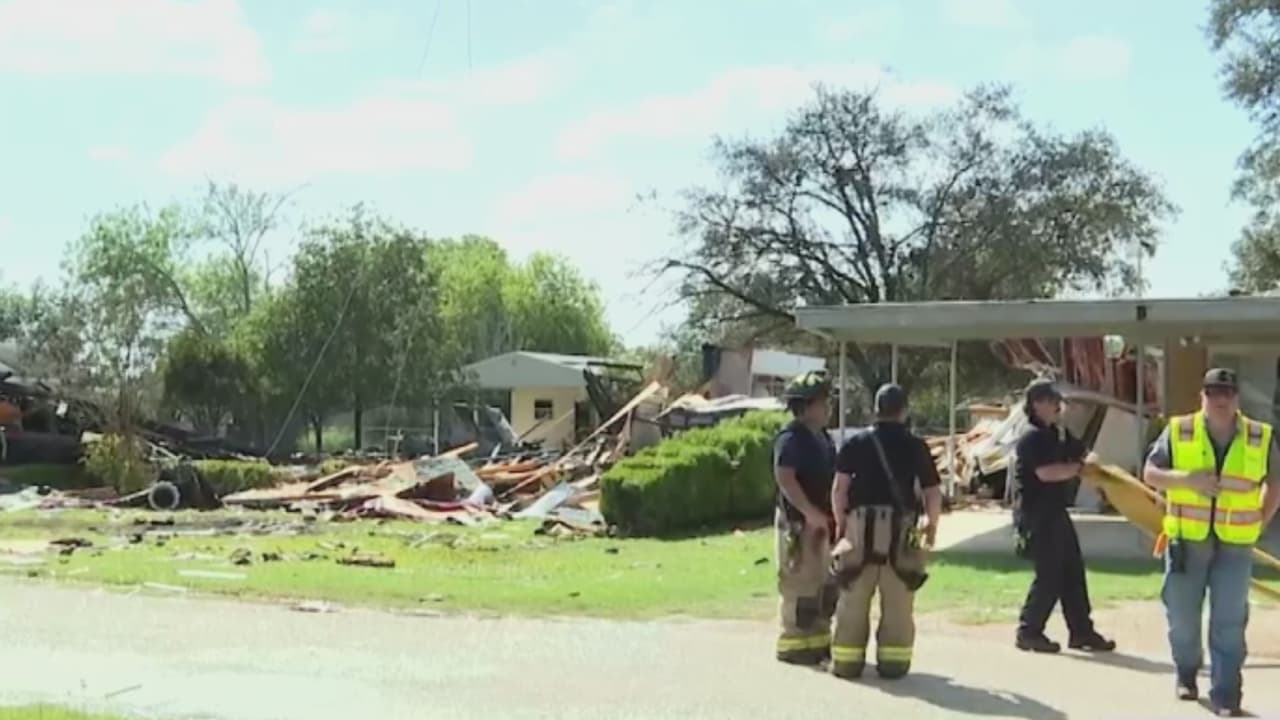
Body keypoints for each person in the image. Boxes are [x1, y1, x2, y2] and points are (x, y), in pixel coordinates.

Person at [1142, 368, 1280, 717]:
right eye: (1213, 393)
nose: (1221, 400)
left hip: (1235, 547)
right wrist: (1186, 479)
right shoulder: (1178, 430)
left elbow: (1275, 483)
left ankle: (1226, 695)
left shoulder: (1259, 435)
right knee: (1183, 619)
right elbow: (1150, 474)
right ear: (1202, 396)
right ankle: (1186, 674)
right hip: (1188, 543)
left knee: (1229, 621)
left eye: (1227, 393)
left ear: (1237, 397)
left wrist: (1260, 521)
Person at [828, 383, 942, 680]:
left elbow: (839, 488)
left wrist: (842, 525)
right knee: (899, 600)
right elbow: (932, 492)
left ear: (875, 410)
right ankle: (894, 663)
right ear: (904, 410)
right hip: (901, 531)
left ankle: (846, 663)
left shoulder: (855, 443)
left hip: (859, 527)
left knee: (853, 596)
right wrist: (931, 527)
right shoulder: (917, 446)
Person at [1012, 378, 1115, 654]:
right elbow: (1047, 473)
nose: (1059, 405)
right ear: (1036, 404)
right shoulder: (1031, 437)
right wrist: (1080, 469)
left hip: (1056, 513)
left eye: (1059, 400)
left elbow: (1083, 453)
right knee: (1050, 575)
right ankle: (1029, 631)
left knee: (1072, 571)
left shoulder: (1058, 434)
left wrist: (1096, 469)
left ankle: (1081, 632)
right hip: (1037, 516)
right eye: (1052, 400)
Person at [771, 369, 838, 665]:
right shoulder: (791, 438)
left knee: (822, 583)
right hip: (798, 525)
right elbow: (785, 478)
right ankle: (795, 645)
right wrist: (810, 514)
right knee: (798, 584)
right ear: (807, 406)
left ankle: (818, 641)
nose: (828, 408)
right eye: (824, 402)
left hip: (820, 524)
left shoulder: (823, 437)